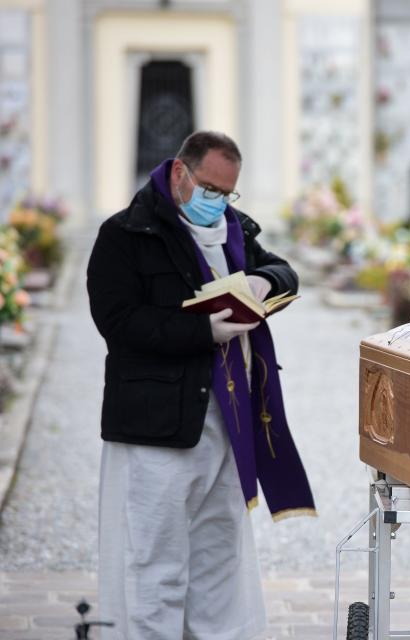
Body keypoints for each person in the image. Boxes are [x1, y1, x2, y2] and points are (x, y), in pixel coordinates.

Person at [87, 131, 315, 639]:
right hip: (156, 426)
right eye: (210, 188)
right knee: (154, 561)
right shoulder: (125, 234)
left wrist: (263, 283)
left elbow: (285, 271)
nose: (218, 202)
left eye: (228, 193)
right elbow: (118, 323)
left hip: (226, 423)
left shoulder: (234, 231)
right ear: (178, 173)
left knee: (218, 557)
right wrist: (201, 330)